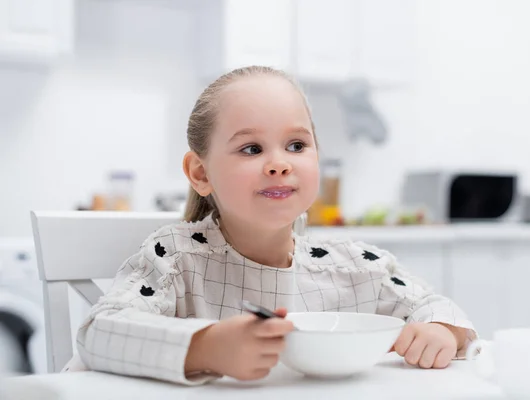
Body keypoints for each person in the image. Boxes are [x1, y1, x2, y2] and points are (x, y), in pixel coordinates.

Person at [73, 66, 476, 385]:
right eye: (251, 148)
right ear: (200, 173)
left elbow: (435, 306)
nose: (279, 163)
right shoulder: (176, 257)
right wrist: (205, 348)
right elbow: (98, 331)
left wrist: (441, 331)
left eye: (297, 146)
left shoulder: (354, 266)